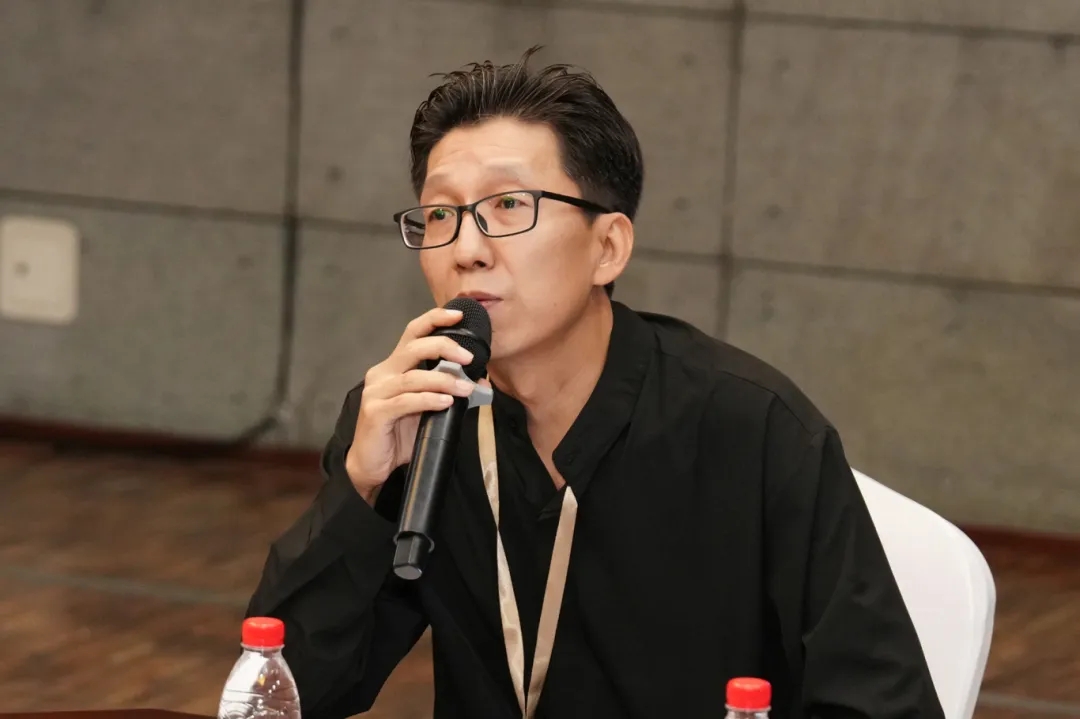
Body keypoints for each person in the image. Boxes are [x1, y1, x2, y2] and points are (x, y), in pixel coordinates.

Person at [247, 47, 945, 719]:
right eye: (440, 214)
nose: (466, 249)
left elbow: (882, 704)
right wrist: (361, 488)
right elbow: (285, 696)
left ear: (607, 247)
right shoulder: (414, 417)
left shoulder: (753, 429)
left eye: (508, 206)